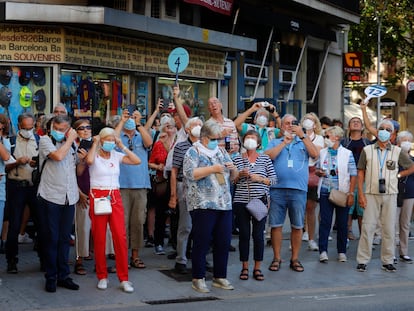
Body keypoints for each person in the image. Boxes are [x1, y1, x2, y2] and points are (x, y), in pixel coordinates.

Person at [183, 119, 238, 293]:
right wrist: (213, 169)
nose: (217, 141)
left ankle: (220, 276)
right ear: (205, 137)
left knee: (223, 241)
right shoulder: (194, 151)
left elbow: (233, 175)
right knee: (202, 241)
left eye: (219, 138)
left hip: (224, 202)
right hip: (202, 203)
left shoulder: (221, 151)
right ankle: (198, 278)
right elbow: (190, 173)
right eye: (215, 138)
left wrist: (233, 168)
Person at [85, 127, 140, 292]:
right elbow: (88, 161)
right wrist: (95, 143)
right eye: (107, 139)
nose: (110, 142)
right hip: (98, 195)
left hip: (114, 195)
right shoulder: (94, 154)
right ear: (101, 140)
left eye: (112, 139)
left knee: (120, 236)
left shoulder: (116, 155)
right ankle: (102, 276)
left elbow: (137, 161)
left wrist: (121, 145)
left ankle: (124, 278)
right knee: (100, 236)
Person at [356, 120, 414, 272]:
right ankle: (362, 260)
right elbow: (360, 171)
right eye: (381, 128)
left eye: (388, 129)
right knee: (368, 227)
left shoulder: (396, 151)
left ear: (392, 134)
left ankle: (388, 260)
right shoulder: (367, 150)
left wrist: (399, 175)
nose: (383, 131)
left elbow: (411, 167)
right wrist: (360, 194)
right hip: (370, 193)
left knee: (389, 228)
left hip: (390, 193)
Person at [265, 114, 318, 273]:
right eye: (286, 123)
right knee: (276, 225)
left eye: (293, 123)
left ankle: (295, 258)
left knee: (297, 225)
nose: (290, 126)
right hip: (277, 189)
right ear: (282, 126)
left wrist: (302, 135)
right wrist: (283, 143)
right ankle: (277, 257)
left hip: (298, 190)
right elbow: (268, 157)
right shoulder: (275, 142)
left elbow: (315, 154)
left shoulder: (303, 141)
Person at [37, 114, 80, 292]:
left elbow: (74, 166)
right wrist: (70, 139)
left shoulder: (72, 144)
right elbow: (58, 156)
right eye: (57, 129)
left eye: (63, 129)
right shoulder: (45, 141)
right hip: (50, 196)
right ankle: (51, 276)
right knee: (51, 238)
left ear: (69, 128)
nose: (59, 132)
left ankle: (64, 275)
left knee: (64, 239)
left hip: (69, 196)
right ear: (51, 127)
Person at [233, 130, 277, 281]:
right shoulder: (238, 159)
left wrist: (259, 178)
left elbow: (273, 180)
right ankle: (244, 266)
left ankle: (257, 267)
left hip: (259, 200)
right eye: (247, 138)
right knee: (244, 234)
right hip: (241, 200)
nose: (250, 140)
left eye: (253, 138)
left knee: (258, 235)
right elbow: (232, 181)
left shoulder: (265, 159)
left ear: (258, 143)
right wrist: (239, 175)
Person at [115, 109, 152, 269]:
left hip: (140, 185)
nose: (131, 119)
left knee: (138, 222)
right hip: (121, 185)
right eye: (128, 116)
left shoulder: (140, 134)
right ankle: (120, 257)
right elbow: (112, 138)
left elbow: (149, 142)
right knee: (121, 224)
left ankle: (135, 256)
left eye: (133, 116)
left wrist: (138, 124)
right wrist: (122, 121)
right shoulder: (118, 137)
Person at [5, 113, 41, 274]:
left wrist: (36, 163)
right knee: (14, 225)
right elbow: (4, 167)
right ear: (19, 126)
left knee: (42, 224)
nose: (28, 130)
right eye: (25, 128)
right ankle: (11, 261)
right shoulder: (11, 142)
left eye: (31, 127)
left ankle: (44, 259)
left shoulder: (39, 141)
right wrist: (17, 162)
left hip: (34, 186)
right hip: (16, 186)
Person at [316, 126, 357, 263]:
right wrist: (319, 172)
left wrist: (351, 192)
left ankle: (342, 251)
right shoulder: (322, 152)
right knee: (325, 222)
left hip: (342, 192)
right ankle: (323, 250)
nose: (326, 139)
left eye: (328, 136)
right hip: (325, 191)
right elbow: (317, 169)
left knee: (342, 223)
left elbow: (353, 174)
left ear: (337, 137)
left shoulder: (347, 153)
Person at [168, 117, 203, 274]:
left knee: (202, 226)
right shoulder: (181, 146)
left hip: (203, 187)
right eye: (195, 125)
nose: (198, 127)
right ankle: (181, 259)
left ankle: (200, 258)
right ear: (188, 129)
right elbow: (174, 172)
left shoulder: (206, 146)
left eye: (200, 125)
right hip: (186, 186)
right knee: (186, 225)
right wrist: (173, 195)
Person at [148, 117, 177, 255]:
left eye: (172, 127)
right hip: (162, 181)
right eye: (167, 127)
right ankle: (158, 242)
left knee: (175, 214)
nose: (169, 130)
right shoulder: (159, 143)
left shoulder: (179, 142)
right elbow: (150, 162)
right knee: (161, 212)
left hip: (177, 181)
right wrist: (158, 166)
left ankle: (174, 243)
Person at [341, 117, 372, 240]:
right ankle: (347, 233)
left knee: (362, 209)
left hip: (364, 180)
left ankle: (363, 236)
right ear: (348, 127)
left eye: (358, 122)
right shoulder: (344, 142)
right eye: (352, 121)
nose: (355, 123)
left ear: (362, 127)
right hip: (347, 179)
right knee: (347, 207)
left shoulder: (367, 143)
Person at [300, 113, 324, 250]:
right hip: (299, 172)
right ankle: (297, 235)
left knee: (311, 207)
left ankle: (310, 238)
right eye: (306, 119)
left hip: (312, 172)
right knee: (298, 208)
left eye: (311, 120)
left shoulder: (319, 138)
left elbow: (315, 154)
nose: (308, 122)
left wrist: (305, 139)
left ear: (315, 125)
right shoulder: (296, 136)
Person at [73, 119, 93, 275]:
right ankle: (79, 261)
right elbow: (75, 174)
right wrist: (79, 193)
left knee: (101, 229)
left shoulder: (97, 146)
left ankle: (99, 259)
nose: (86, 130)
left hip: (98, 192)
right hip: (82, 192)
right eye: (81, 128)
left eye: (88, 127)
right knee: (82, 228)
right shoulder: (73, 147)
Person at [396, 131, 414, 263]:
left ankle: (404, 251)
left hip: (409, 193)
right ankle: (391, 253)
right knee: (392, 224)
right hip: (394, 193)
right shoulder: (394, 157)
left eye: (408, 140)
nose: (406, 142)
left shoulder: (413, 159)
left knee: (405, 224)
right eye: (403, 140)